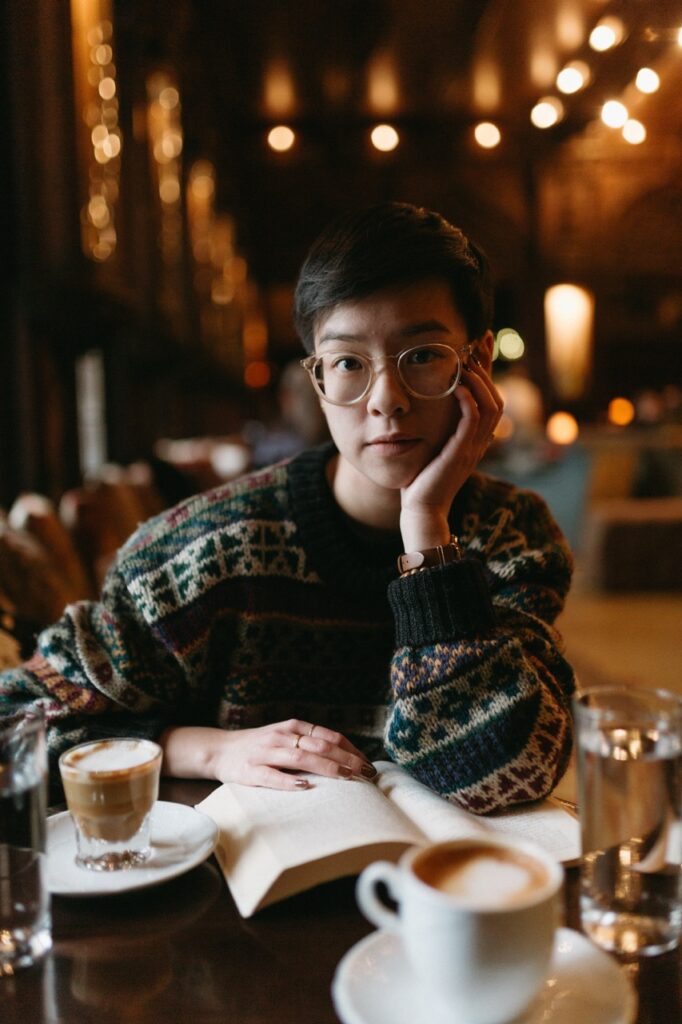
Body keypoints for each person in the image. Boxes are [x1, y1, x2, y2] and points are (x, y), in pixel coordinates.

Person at [0, 202, 575, 812]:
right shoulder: (205, 550)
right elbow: (15, 726)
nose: (386, 400)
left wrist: (427, 535)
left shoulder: (513, 534)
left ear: (479, 361)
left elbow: (501, 772)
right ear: (316, 378)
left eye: (424, 355)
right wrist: (208, 749)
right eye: (349, 363)